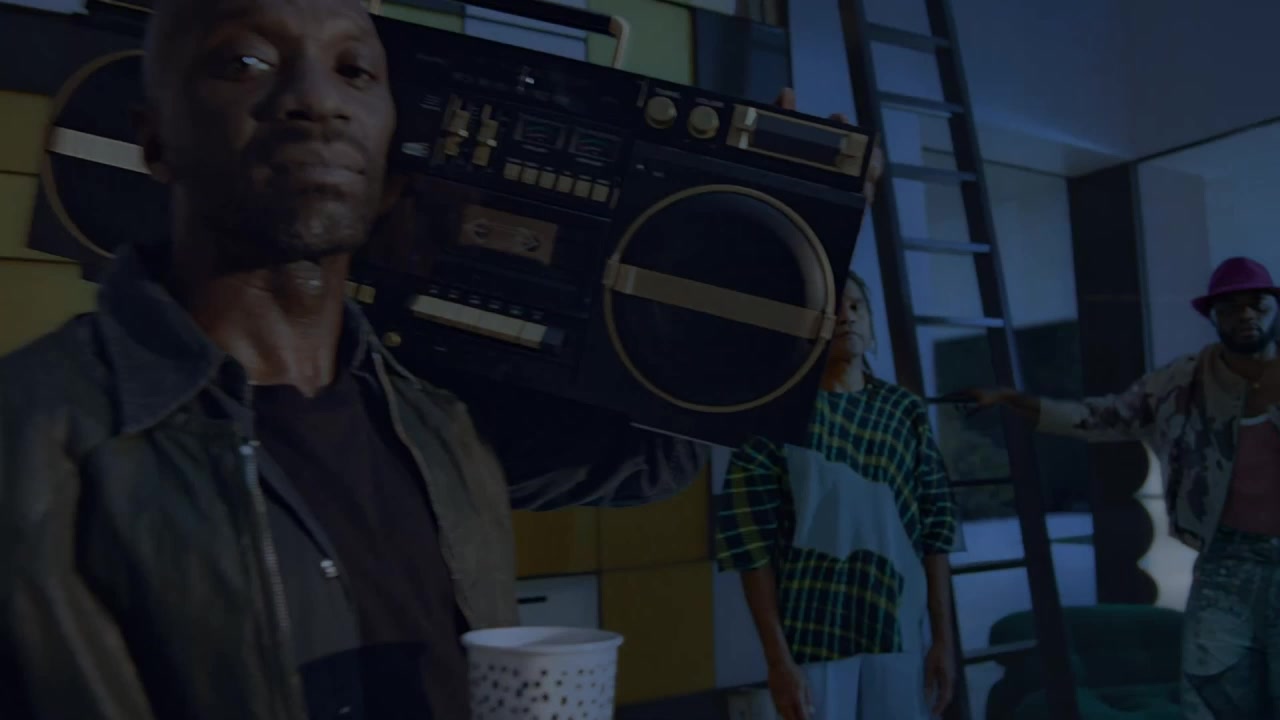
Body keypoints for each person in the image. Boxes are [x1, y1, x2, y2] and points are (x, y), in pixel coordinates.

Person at [0, 0, 707, 718]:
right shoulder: (28, 441)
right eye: (246, 62)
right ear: (152, 139)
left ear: (394, 149)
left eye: (355, 70)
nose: (317, 99)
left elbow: (654, 457)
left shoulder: (445, 438)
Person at [966, 256, 1280, 719]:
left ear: (1274, 308)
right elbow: (1102, 416)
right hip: (1225, 563)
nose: (1246, 315)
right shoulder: (1183, 383)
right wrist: (1018, 402)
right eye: (1231, 307)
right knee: (1212, 694)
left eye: (1257, 304)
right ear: (1214, 317)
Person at [715, 270, 959, 720]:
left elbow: (936, 528)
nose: (846, 317)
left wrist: (943, 640)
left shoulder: (903, 412)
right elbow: (750, 545)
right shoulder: (775, 417)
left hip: (899, 629)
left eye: (855, 306)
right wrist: (777, 660)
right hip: (812, 633)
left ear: (870, 320)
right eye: (830, 309)